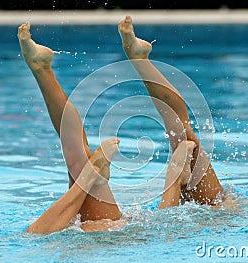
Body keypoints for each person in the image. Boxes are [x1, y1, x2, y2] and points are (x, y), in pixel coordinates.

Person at [17, 15, 224, 234]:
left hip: (109, 233)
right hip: (131, 229)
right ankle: (138, 59)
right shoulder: (219, 211)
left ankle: (41, 68)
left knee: (78, 161)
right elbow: (164, 230)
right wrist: (173, 177)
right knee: (184, 138)